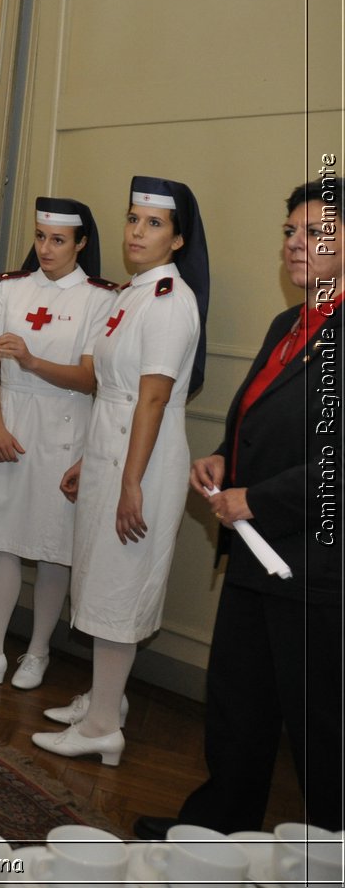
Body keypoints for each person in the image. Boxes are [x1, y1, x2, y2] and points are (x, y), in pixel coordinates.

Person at [134, 178, 340, 836]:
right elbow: (263, 416)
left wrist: (258, 497)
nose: (295, 246)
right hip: (259, 551)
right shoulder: (292, 322)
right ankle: (216, 832)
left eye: (315, 233)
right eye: (289, 232)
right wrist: (225, 455)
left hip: (316, 565)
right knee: (238, 705)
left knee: (321, 725)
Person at [34, 175, 209, 768]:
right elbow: (113, 392)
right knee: (100, 575)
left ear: (179, 239)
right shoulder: (131, 294)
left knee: (120, 583)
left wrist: (130, 481)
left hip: (144, 457)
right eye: (133, 219)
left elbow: (152, 399)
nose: (137, 231)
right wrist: (92, 459)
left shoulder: (169, 301)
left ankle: (104, 726)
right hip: (114, 449)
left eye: (154, 223)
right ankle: (105, 699)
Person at [0, 197, 115, 692]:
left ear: (80, 243)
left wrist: (32, 362)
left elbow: (87, 378)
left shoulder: (99, 298)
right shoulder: (12, 288)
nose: (46, 247)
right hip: (9, 421)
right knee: (2, 539)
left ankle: (37, 651)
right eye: (40, 237)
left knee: (53, 547)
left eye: (58, 240)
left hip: (64, 429)